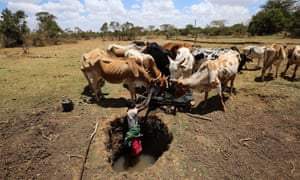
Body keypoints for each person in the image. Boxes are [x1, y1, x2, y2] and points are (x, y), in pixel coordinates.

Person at [124, 86, 155, 156]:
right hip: (133, 130)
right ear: (132, 105)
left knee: (135, 144)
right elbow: (145, 106)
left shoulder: (130, 110)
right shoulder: (132, 112)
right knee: (135, 147)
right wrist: (150, 94)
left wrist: (147, 97)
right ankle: (134, 156)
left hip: (134, 130)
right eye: (133, 102)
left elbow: (142, 104)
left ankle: (133, 156)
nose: (135, 103)